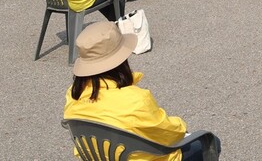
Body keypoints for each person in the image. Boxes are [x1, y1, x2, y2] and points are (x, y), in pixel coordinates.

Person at [64, 21, 219, 160]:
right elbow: (171, 134)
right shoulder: (136, 100)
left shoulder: (73, 94)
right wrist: (181, 125)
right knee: (210, 141)